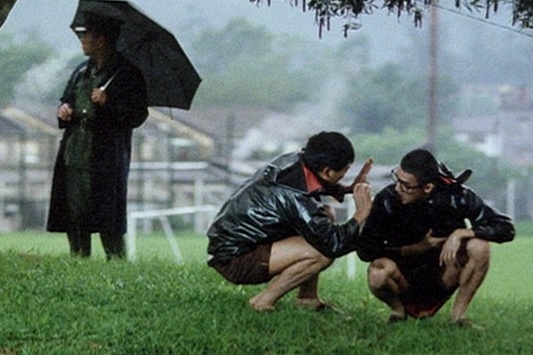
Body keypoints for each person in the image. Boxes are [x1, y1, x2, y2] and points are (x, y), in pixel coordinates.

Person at [207, 131, 374, 312]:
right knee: (321, 252)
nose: (345, 174)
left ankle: (307, 298)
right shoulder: (295, 194)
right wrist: (362, 213)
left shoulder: (295, 161)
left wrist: (345, 189)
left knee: (326, 213)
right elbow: (332, 244)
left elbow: (315, 186)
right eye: (345, 171)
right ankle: (262, 302)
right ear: (327, 171)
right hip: (235, 258)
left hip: (233, 243)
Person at [356, 148, 515, 328]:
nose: (398, 188)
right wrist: (416, 248)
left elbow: (506, 228)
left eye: (406, 185)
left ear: (428, 187)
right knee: (378, 271)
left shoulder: (457, 196)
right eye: (396, 179)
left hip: (444, 274)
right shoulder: (388, 198)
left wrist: (461, 234)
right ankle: (398, 311)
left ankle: (458, 318)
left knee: (479, 246)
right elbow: (365, 250)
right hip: (403, 279)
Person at [47, 12, 149, 259]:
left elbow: (137, 115)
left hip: (106, 156)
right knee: (74, 211)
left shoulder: (127, 74)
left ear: (101, 40)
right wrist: (64, 110)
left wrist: (108, 102)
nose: (82, 40)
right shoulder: (81, 71)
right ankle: (78, 258)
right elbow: (67, 100)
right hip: (75, 152)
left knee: (107, 214)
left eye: (86, 36)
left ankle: (116, 260)